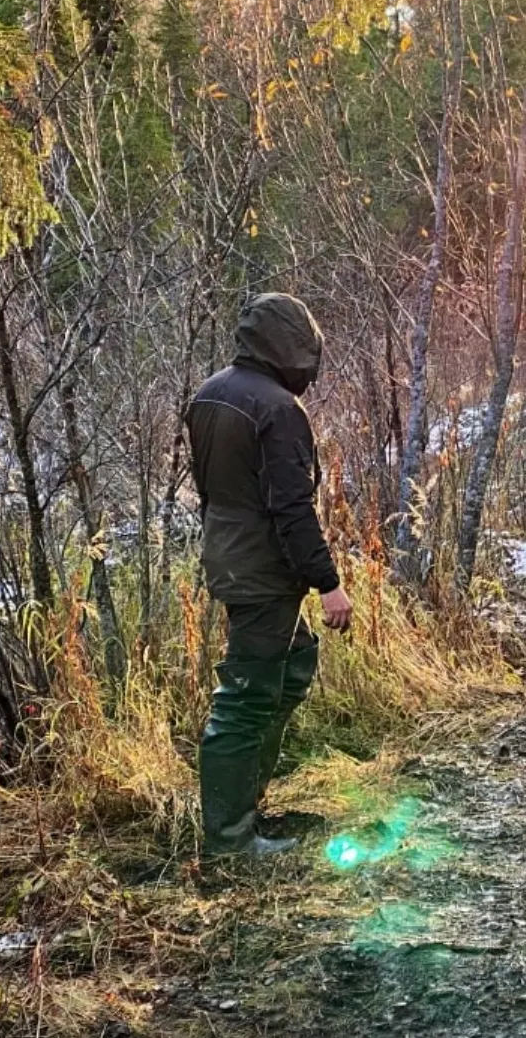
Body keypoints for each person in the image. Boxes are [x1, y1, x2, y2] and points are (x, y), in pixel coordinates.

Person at [186, 293, 353, 857]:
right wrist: (328, 583)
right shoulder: (279, 409)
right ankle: (231, 839)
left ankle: (247, 807)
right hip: (261, 568)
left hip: (230, 556)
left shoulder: (210, 394)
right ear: (290, 346)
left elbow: (213, 491)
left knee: (295, 662)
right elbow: (292, 508)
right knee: (245, 698)